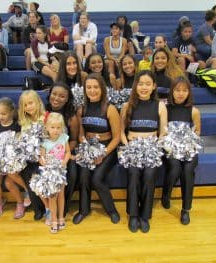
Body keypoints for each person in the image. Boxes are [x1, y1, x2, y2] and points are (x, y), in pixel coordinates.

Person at [120, 70, 167, 233]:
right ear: (135, 86)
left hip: (152, 150)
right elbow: (121, 133)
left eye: (148, 84)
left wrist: (155, 147)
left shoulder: (160, 106)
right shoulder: (127, 106)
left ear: (154, 86)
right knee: (133, 174)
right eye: (140, 84)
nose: (144, 87)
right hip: (132, 149)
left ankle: (145, 216)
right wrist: (128, 147)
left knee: (149, 175)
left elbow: (163, 133)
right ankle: (133, 215)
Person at [73, 73, 121, 225]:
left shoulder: (110, 108)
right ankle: (83, 210)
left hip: (108, 149)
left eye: (95, 87)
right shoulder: (82, 109)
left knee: (97, 179)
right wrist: (87, 149)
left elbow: (117, 137)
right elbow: (81, 134)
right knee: (84, 176)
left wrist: (103, 153)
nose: (92, 90)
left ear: (102, 89)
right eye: (88, 87)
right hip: (88, 147)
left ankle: (111, 210)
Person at [161, 76, 201, 225]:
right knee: (176, 167)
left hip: (188, 148)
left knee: (188, 170)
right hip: (169, 147)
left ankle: (186, 210)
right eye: (177, 90)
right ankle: (166, 193)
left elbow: (197, 133)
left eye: (184, 90)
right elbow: (163, 132)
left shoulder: (194, 111)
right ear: (172, 92)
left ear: (189, 93)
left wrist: (187, 146)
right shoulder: (165, 107)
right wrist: (172, 145)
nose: (180, 93)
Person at [0, 97, 30, 219]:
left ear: (12, 112)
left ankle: (21, 200)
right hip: (0, 162)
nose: (1, 116)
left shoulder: (17, 126)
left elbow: (20, 143)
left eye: (4, 113)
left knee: (8, 181)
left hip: (13, 163)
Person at [46, 82, 79, 216]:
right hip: (46, 153)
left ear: (67, 99)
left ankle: (63, 209)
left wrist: (63, 154)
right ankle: (47, 208)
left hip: (65, 153)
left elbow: (73, 140)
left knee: (72, 175)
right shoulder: (43, 113)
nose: (56, 98)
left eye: (62, 96)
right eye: (54, 94)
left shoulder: (72, 118)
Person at [39, 112, 71, 233]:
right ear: (47, 127)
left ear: (62, 128)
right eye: (53, 127)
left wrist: (64, 162)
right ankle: (53, 220)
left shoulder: (64, 137)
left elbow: (68, 152)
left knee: (61, 195)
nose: (56, 130)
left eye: (58, 127)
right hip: (49, 173)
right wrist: (45, 164)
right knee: (52, 197)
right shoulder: (44, 141)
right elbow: (40, 157)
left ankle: (61, 217)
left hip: (61, 172)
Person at [18, 90, 46, 220]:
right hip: (30, 158)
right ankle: (37, 208)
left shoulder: (46, 117)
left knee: (37, 174)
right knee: (27, 174)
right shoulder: (24, 123)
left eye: (31, 103)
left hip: (44, 156)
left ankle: (47, 207)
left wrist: (41, 154)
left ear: (38, 103)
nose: (29, 107)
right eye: (25, 105)